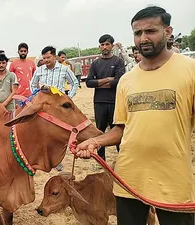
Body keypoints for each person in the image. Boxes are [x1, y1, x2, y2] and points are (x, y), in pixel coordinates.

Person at [76, 6, 195, 225]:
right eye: (138, 33)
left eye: (150, 31)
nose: (143, 38)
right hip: (128, 181)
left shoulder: (190, 70)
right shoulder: (127, 80)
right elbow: (121, 129)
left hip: (174, 183)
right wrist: (94, 141)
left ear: (168, 32)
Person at [85, 34, 125, 162]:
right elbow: (89, 83)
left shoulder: (118, 61)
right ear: (99, 46)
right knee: (99, 132)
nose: (104, 47)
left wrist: (99, 83)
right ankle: (100, 161)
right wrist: (108, 79)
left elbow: (119, 81)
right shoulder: (95, 64)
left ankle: (122, 158)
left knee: (117, 130)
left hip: (115, 101)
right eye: (102, 44)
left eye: (107, 44)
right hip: (99, 102)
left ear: (112, 46)